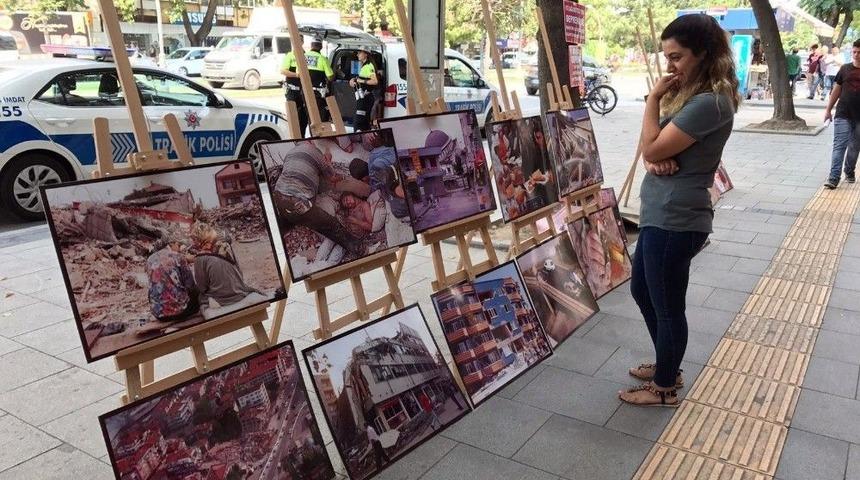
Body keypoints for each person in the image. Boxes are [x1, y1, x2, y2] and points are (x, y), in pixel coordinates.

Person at [621, 13, 738, 407]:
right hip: (662, 213)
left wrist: (653, 100)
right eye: (666, 57)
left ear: (702, 53)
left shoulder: (710, 103)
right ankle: (666, 366)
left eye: (676, 57)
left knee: (668, 306)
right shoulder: (694, 96)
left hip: (676, 218)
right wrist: (653, 157)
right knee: (642, 291)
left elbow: (652, 146)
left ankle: (665, 388)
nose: (669, 67)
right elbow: (652, 150)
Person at [271, 141, 367, 255]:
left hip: (278, 194)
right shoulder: (314, 151)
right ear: (309, 143)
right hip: (298, 200)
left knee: (290, 214)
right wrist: (328, 161)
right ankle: (356, 246)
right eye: (312, 142)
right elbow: (333, 178)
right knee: (331, 224)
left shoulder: (290, 153)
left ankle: (285, 224)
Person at [189, 222, 268, 319]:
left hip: (220, 301)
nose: (193, 243)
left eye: (194, 240)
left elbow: (202, 287)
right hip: (239, 294)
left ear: (198, 239)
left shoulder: (200, 258)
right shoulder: (226, 246)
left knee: (199, 298)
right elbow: (239, 272)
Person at [823, 40, 860, 189]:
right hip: (843, 113)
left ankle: (849, 171)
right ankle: (833, 178)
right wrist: (828, 110)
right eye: (854, 52)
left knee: (855, 147)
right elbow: (836, 90)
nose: (856, 55)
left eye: (859, 52)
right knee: (839, 145)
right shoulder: (845, 69)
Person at [145, 237, 199, 323]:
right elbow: (190, 285)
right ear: (171, 244)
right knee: (198, 291)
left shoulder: (149, 260)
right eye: (178, 245)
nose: (179, 248)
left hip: (159, 314)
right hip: (180, 312)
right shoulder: (178, 256)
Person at [282, 35, 308, 138]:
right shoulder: (290, 55)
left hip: (303, 91)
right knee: (293, 116)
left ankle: (301, 137)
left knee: (303, 117)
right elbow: (283, 71)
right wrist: (296, 75)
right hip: (292, 91)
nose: (297, 43)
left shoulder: (306, 55)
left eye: (299, 41)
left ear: (302, 42)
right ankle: (293, 138)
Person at [307, 38, 335, 123]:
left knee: (309, 114)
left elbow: (298, 73)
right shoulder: (322, 58)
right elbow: (330, 77)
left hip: (305, 91)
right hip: (318, 93)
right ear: (321, 47)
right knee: (321, 115)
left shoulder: (303, 57)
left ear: (311, 45)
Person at [350, 47, 378, 131]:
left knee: (359, 122)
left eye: (359, 53)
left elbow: (374, 81)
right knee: (364, 122)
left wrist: (361, 81)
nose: (357, 54)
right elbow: (361, 78)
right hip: (362, 98)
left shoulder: (369, 66)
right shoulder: (364, 66)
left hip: (365, 98)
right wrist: (353, 80)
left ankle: (358, 137)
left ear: (366, 54)